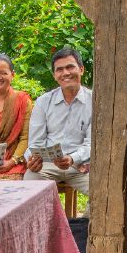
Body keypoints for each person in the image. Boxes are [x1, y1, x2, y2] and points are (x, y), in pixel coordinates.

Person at [24, 48, 92, 196]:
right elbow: (35, 143)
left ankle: (87, 220)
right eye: (59, 69)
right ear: (55, 75)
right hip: (47, 165)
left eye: (70, 67)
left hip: (81, 165)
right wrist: (32, 160)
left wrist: (73, 158)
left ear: (81, 69)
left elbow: (92, 143)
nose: (65, 73)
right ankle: (46, 220)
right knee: (29, 184)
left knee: (103, 190)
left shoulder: (95, 101)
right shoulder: (43, 102)